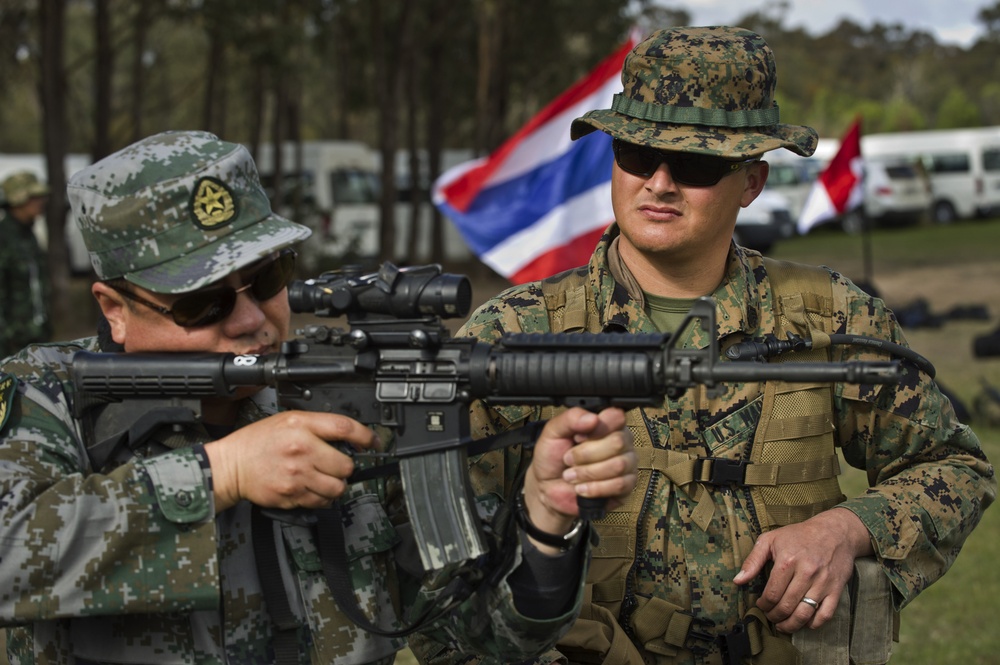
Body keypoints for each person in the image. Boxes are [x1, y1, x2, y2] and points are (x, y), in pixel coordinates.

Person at [409, 26, 996, 665]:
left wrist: (846, 530)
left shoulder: (829, 316)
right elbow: (440, 579)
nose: (659, 183)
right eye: (636, 154)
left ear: (751, 182)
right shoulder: (514, 335)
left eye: (694, 164)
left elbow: (954, 468)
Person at [0, 130, 639, 664]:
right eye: (204, 302)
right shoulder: (49, 393)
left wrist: (546, 526)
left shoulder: (342, 397)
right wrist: (220, 472)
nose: (250, 319)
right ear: (115, 308)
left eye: (268, 280)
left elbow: (486, 633)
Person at [0, 171, 52, 357]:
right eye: (34, 197)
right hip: (11, 343)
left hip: (36, 334)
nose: (41, 201)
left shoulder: (28, 235)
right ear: (17, 199)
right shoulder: (4, 238)